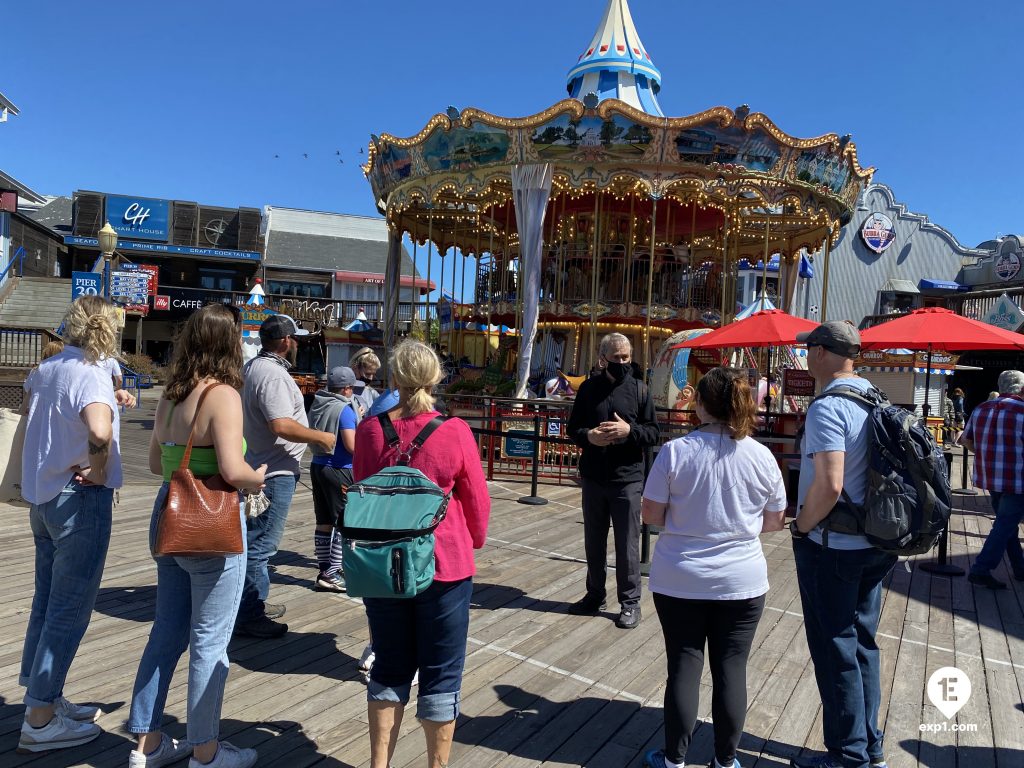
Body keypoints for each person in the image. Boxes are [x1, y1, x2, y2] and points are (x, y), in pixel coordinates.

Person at [126, 303, 267, 768]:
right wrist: (256, 477)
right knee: (210, 640)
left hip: (169, 516)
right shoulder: (222, 395)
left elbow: (153, 464)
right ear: (230, 343)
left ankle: (145, 744)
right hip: (211, 523)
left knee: (166, 631)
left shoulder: (171, 393)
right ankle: (205, 752)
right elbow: (231, 468)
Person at [353, 339, 489, 768]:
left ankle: (379, 764)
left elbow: (362, 491)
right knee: (441, 673)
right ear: (435, 379)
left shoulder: (371, 431)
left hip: (383, 566)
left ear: (393, 378)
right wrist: (475, 540)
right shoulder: (455, 431)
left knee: (389, 666)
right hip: (444, 564)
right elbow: (477, 503)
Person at [641, 367, 786, 768]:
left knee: (684, 666)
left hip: (680, 576)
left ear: (700, 404)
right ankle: (726, 761)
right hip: (742, 579)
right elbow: (775, 521)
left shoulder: (676, 451)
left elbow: (651, 515)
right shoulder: (762, 456)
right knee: (731, 669)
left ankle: (675, 761)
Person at [17, 296, 125, 754]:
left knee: (47, 602)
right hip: (79, 500)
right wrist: (99, 467)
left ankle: (43, 697)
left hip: (42, 497)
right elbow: (99, 430)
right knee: (70, 609)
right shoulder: (90, 373)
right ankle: (40, 718)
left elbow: (31, 419)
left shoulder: (46, 370)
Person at [789, 320, 897, 768]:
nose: (805, 356)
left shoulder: (828, 408)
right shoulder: (876, 396)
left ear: (820, 351)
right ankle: (869, 747)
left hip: (834, 546)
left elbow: (830, 484)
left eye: (809, 348)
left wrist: (801, 525)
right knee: (863, 643)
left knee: (835, 649)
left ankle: (848, 755)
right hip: (877, 540)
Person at [235, 314, 336, 638]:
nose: (295, 343)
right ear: (284, 341)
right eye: (293, 338)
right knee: (261, 544)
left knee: (255, 540)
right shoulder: (272, 375)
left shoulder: (254, 368)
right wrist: (320, 437)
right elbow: (280, 424)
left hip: (262, 462)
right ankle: (249, 613)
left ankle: (253, 605)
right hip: (274, 468)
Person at [566, 332, 660, 629]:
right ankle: (595, 594)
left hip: (627, 479)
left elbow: (653, 433)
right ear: (603, 357)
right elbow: (573, 429)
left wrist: (628, 432)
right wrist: (589, 437)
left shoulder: (640, 390)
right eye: (617, 357)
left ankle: (630, 602)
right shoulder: (588, 389)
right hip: (594, 476)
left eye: (626, 357)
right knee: (593, 540)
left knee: (627, 543)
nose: (622, 362)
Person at [960, 369, 1024, 589]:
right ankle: (981, 569)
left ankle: (1019, 568)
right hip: (1017, 479)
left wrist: (983, 452)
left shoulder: (981, 408)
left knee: (1007, 525)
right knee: (1005, 524)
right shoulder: (1022, 411)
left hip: (990, 477)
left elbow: (964, 440)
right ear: (1022, 388)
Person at [306, 365, 360, 593]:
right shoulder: (344, 409)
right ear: (347, 388)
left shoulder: (320, 402)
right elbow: (350, 444)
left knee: (324, 520)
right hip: (339, 468)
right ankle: (334, 572)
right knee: (343, 520)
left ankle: (324, 568)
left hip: (318, 465)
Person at [350, 347, 382, 415]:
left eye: (373, 374)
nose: (370, 378)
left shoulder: (372, 393)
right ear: (355, 368)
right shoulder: (340, 390)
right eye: (367, 374)